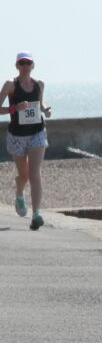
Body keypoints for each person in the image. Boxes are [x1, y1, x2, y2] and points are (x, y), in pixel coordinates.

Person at [2, 52, 51, 230]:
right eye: (21, 63)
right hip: (17, 135)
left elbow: (40, 103)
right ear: (17, 66)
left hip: (37, 132)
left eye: (28, 63)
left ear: (33, 66)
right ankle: (19, 195)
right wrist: (15, 108)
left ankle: (36, 214)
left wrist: (45, 109)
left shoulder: (39, 84)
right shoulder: (10, 85)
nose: (25, 66)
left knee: (34, 174)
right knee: (23, 175)